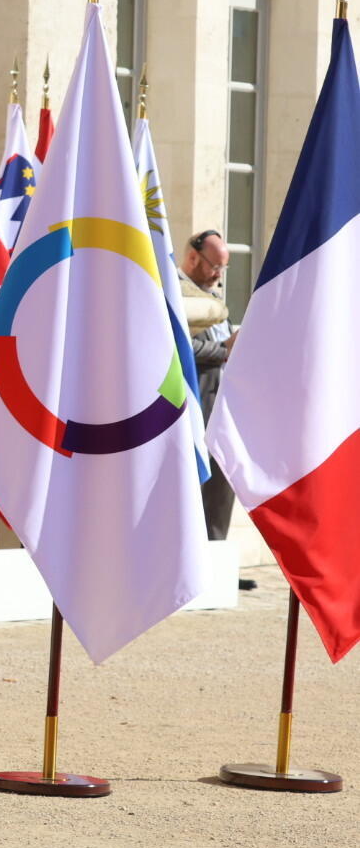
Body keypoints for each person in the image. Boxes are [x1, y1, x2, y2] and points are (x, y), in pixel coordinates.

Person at [178, 228, 251, 587]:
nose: (218, 275)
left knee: (221, 490)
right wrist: (225, 350)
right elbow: (179, 346)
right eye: (214, 266)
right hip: (190, 408)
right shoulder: (175, 292)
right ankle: (187, 571)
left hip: (222, 410)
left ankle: (217, 569)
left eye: (223, 268)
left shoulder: (216, 302)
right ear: (193, 258)